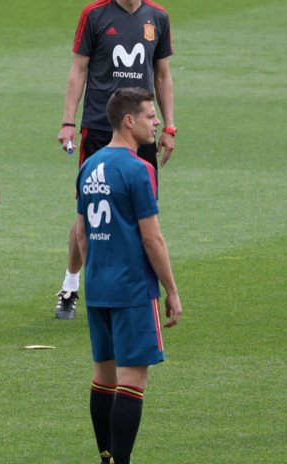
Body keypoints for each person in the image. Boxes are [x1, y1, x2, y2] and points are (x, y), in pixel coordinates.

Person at [75, 87, 182, 463]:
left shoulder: (89, 166)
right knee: (132, 382)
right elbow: (152, 238)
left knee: (103, 378)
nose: (157, 123)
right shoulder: (139, 170)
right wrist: (171, 290)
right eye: (151, 116)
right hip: (132, 289)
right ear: (128, 120)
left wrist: (96, 271)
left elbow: (81, 233)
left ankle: (105, 457)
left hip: (98, 286)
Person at [54, 0, 176, 320]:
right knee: (89, 210)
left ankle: (137, 287)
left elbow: (162, 75)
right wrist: (68, 121)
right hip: (99, 126)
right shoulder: (94, 14)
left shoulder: (158, 17)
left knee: (142, 211)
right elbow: (79, 69)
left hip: (143, 131)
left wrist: (168, 126)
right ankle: (71, 285)